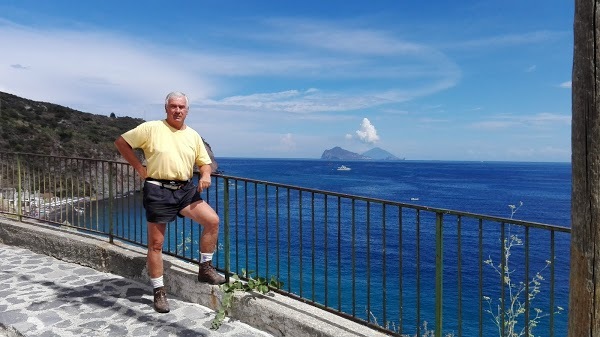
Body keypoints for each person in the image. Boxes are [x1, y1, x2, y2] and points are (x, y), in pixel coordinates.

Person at [114, 91, 226, 314]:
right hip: (158, 189)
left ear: (187, 110)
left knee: (212, 220)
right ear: (166, 108)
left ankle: (205, 268)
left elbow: (204, 163)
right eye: (173, 106)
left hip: (185, 190)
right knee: (156, 244)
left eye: (181, 107)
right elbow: (121, 142)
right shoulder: (151, 129)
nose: (177, 110)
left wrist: (205, 175)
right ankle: (159, 291)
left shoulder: (193, 135)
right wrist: (139, 167)